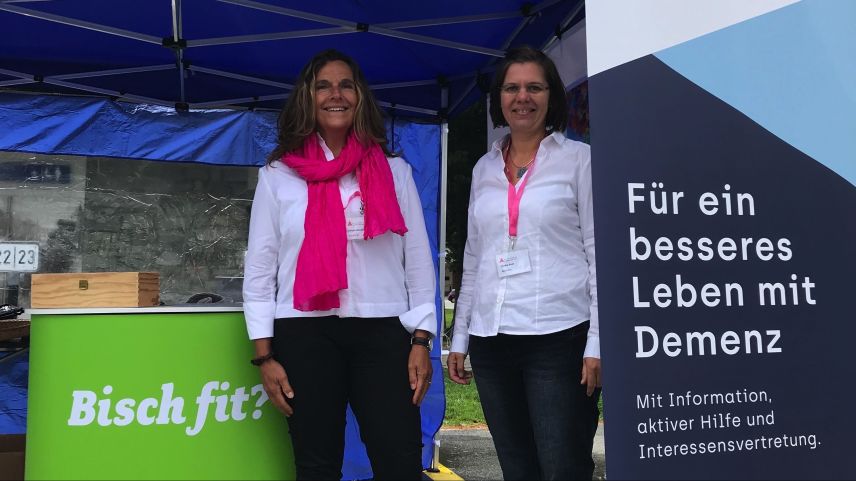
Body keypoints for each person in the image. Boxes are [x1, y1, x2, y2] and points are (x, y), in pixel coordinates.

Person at [243, 49, 437, 481]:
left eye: (346, 85)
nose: (336, 94)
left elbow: (418, 263)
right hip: (304, 334)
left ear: (360, 97)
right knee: (316, 466)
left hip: (383, 331)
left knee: (399, 462)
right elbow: (259, 270)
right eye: (324, 86)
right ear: (307, 98)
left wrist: (422, 340)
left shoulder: (395, 172)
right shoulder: (278, 176)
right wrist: (264, 357)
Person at [447, 46, 601, 480]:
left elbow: (599, 253)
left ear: (552, 96)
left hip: (558, 337)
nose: (522, 97)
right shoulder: (483, 169)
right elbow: (474, 256)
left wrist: (597, 343)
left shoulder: (580, 161)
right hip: (492, 341)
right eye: (512, 88)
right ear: (499, 97)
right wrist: (461, 337)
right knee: (517, 468)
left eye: (535, 87)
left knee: (562, 468)